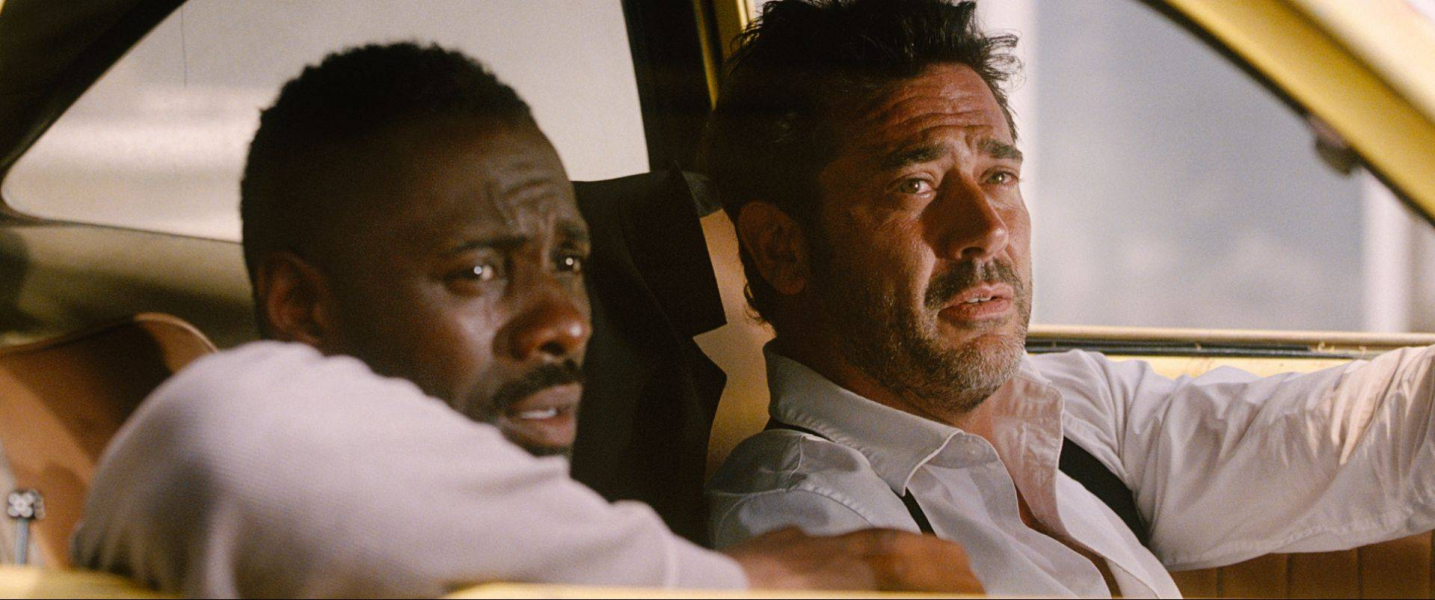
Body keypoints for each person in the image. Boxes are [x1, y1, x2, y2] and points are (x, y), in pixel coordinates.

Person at [71, 43, 982, 597]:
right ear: (302, 309)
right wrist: (742, 582)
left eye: (568, 262)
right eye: (476, 271)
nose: (564, 323)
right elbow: (235, 434)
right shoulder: (237, 459)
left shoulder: (517, 550)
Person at [703, 1, 1435, 598]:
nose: (985, 229)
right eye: (915, 185)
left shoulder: (1073, 410)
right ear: (782, 248)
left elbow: (1373, 434)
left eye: (997, 176)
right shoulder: (809, 529)